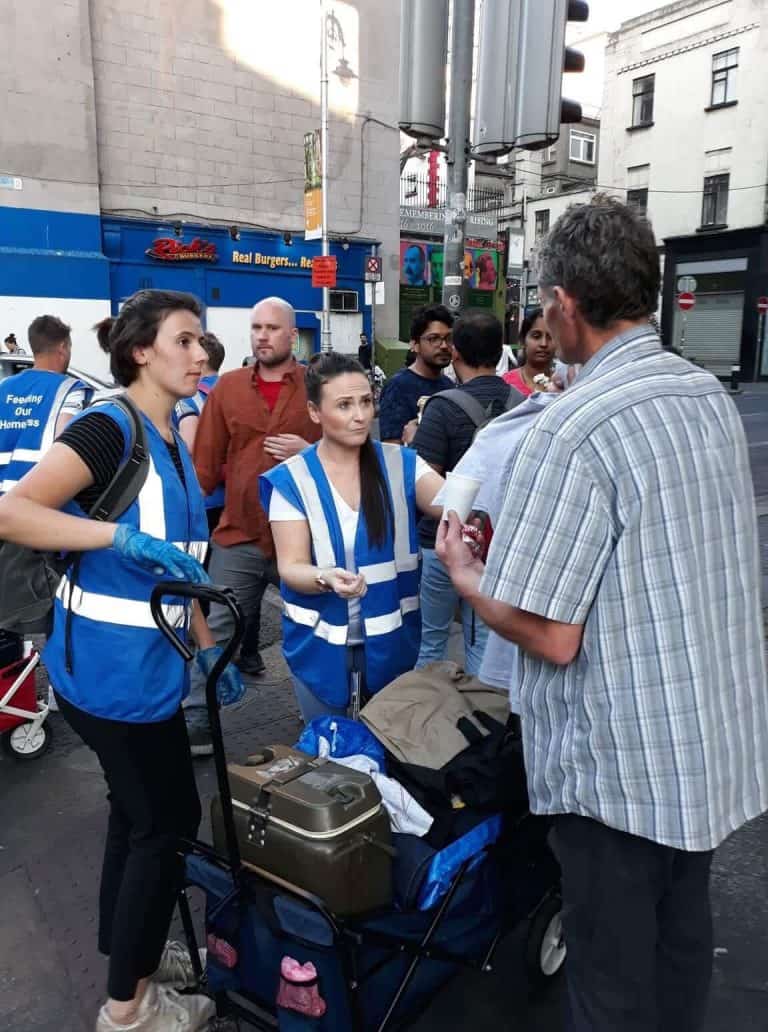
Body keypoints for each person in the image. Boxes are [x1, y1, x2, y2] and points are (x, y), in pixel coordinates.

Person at [436, 196, 768, 1032]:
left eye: (546, 303)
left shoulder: (571, 427)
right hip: (704, 741)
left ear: (565, 305)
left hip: (619, 766)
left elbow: (551, 633)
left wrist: (469, 578)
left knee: (610, 985)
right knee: (679, 947)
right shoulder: (705, 392)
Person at [0, 289, 244, 1031]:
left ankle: (126, 956)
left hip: (146, 674)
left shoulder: (168, 434)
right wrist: (114, 538)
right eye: (185, 341)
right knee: (165, 822)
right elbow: (11, 511)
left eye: (203, 343)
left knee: (135, 816)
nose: (202, 355)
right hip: (108, 678)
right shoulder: (110, 426)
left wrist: (210, 650)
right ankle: (128, 1009)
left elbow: (180, 564)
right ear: (141, 351)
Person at [260, 352, 444, 724]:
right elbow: (291, 566)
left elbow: (452, 503)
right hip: (319, 648)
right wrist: (324, 577)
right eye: (344, 405)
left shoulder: (402, 463)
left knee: (389, 748)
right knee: (329, 749)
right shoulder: (293, 479)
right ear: (315, 412)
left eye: (366, 401)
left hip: (392, 645)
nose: (360, 415)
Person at [188, 297, 321, 753]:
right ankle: (197, 717)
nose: (262, 336)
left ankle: (323, 711)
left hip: (303, 535)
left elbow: (350, 450)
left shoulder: (318, 386)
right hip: (240, 532)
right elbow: (204, 466)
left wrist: (310, 452)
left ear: (293, 335)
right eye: (256, 327)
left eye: (272, 328)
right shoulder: (227, 389)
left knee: (315, 627)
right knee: (217, 624)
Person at [412, 311, 523, 674]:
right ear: (501, 352)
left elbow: (425, 483)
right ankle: (482, 704)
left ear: (455, 352)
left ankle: (426, 707)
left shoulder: (441, 407)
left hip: (441, 542)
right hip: (496, 544)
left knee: (432, 640)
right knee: (484, 641)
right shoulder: (523, 405)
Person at [378, 304, 454, 445]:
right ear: (414, 345)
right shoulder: (398, 387)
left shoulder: (449, 386)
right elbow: (392, 450)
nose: (444, 345)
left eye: (448, 338)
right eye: (434, 338)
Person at [176, 330, 226, 533]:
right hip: (236, 497)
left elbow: (190, 444)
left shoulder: (189, 396)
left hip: (204, 497)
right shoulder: (234, 390)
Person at [502, 308, 556, 395]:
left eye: (551, 337)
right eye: (536, 336)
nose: (544, 344)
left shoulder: (564, 384)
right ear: (522, 340)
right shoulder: (506, 384)